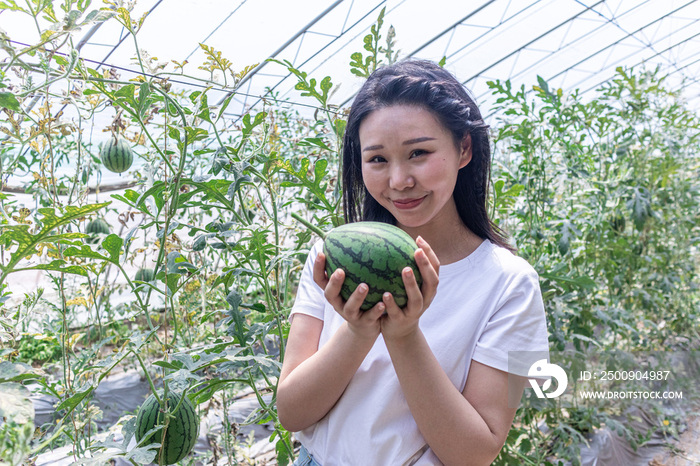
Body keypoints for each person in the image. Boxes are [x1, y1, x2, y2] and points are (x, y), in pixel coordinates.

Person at [277, 59, 549, 465]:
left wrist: (404, 337)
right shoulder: (329, 258)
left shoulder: (513, 285)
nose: (399, 180)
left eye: (419, 152)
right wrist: (357, 331)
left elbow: (476, 454)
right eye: (378, 160)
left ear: (463, 148)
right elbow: (290, 413)